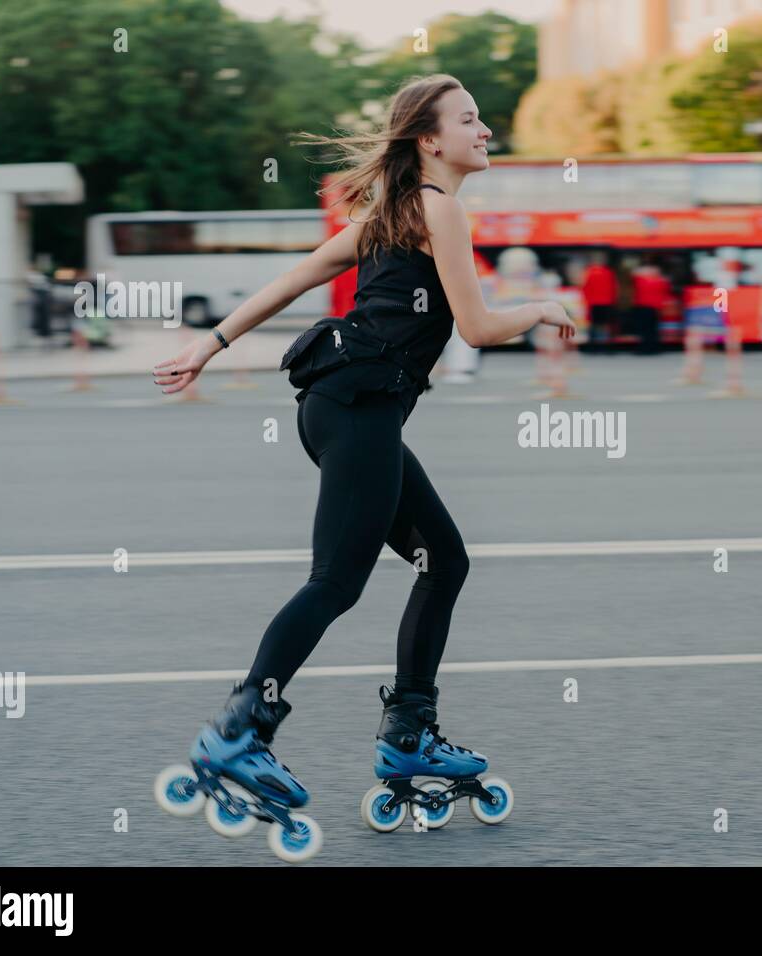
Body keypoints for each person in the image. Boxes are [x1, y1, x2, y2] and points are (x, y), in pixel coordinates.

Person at [151, 74, 573, 856]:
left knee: (443, 560)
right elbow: (476, 329)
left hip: (344, 408)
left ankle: (409, 732)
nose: (486, 131)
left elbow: (292, 279)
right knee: (335, 582)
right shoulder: (439, 211)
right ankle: (240, 732)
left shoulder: (390, 217)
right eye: (470, 120)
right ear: (430, 140)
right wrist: (542, 309)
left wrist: (208, 346)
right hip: (357, 410)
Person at [581, 252, 617, 352]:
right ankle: (605, 346)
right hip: (607, 302)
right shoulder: (608, 272)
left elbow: (585, 288)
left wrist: (586, 299)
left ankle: (593, 346)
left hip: (593, 303)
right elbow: (613, 288)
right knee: (605, 325)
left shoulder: (588, 272)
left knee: (593, 324)